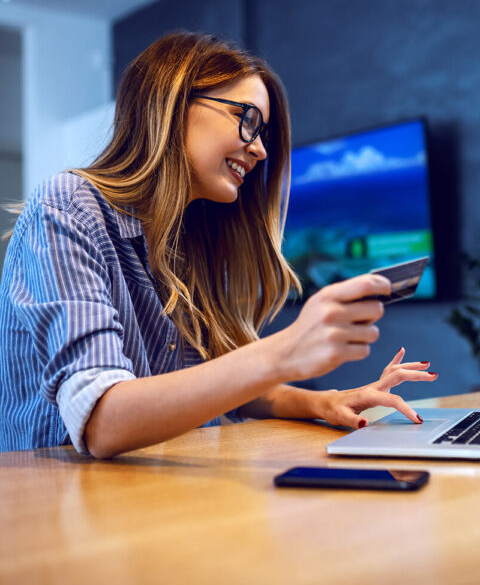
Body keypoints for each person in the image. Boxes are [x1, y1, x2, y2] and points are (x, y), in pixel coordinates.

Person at [0, 32, 437, 458]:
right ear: (172, 104)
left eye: (263, 132)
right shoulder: (68, 206)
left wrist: (325, 402)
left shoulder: (192, 237)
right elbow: (100, 421)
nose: (261, 149)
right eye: (247, 120)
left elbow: (222, 386)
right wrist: (284, 351)